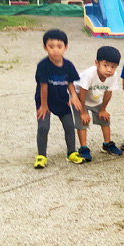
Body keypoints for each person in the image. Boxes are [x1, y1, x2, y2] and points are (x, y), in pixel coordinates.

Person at [34, 29, 84, 168]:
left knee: (69, 126)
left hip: (62, 100)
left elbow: (70, 82)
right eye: (51, 46)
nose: (55, 50)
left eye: (59, 46)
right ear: (45, 48)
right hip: (45, 100)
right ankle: (41, 156)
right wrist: (44, 106)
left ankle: (71, 153)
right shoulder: (43, 66)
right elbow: (43, 86)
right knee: (43, 127)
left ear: (65, 47)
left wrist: (73, 96)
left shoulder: (68, 65)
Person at [74, 46, 124, 161]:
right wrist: (82, 112)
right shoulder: (89, 74)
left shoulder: (113, 76)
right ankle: (83, 147)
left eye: (113, 67)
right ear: (97, 63)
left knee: (105, 119)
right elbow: (82, 93)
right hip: (80, 99)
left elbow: (108, 93)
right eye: (105, 65)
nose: (109, 70)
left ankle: (107, 144)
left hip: (96, 99)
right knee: (83, 122)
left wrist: (103, 109)